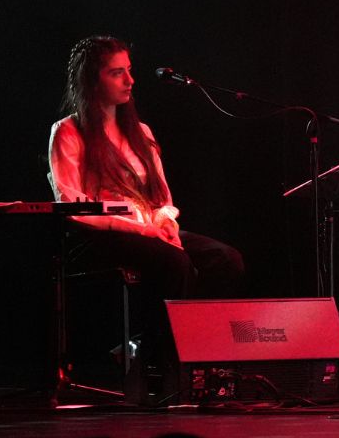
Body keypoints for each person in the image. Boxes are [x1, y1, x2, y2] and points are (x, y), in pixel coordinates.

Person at [48, 35, 244, 316]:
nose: (130, 80)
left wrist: (166, 225)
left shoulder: (142, 132)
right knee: (175, 262)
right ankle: (164, 350)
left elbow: (162, 197)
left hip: (149, 230)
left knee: (226, 259)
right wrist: (145, 230)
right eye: (117, 73)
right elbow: (73, 205)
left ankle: (194, 340)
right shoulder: (68, 131)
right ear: (92, 80)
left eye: (129, 70)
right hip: (102, 237)